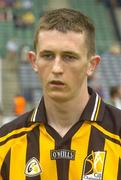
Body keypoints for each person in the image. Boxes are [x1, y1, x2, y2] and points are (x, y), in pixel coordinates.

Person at [0, 8, 121, 180]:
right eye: (48, 56)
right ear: (34, 61)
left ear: (92, 65)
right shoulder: (5, 143)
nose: (56, 68)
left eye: (69, 57)